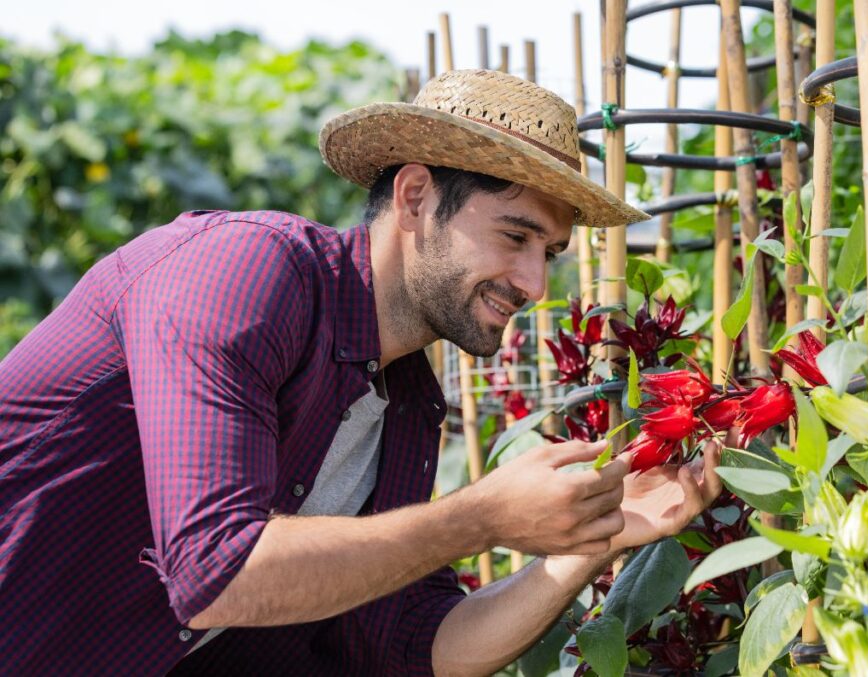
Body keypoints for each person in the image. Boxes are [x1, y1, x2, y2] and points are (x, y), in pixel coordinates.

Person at [0, 69, 723, 676]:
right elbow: (214, 569)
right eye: (515, 235)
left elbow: (418, 643)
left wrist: (585, 541)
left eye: (550, 252)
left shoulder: (404, 403)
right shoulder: (240, 274)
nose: (535, 283)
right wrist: (480, 516)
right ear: (415, 196)